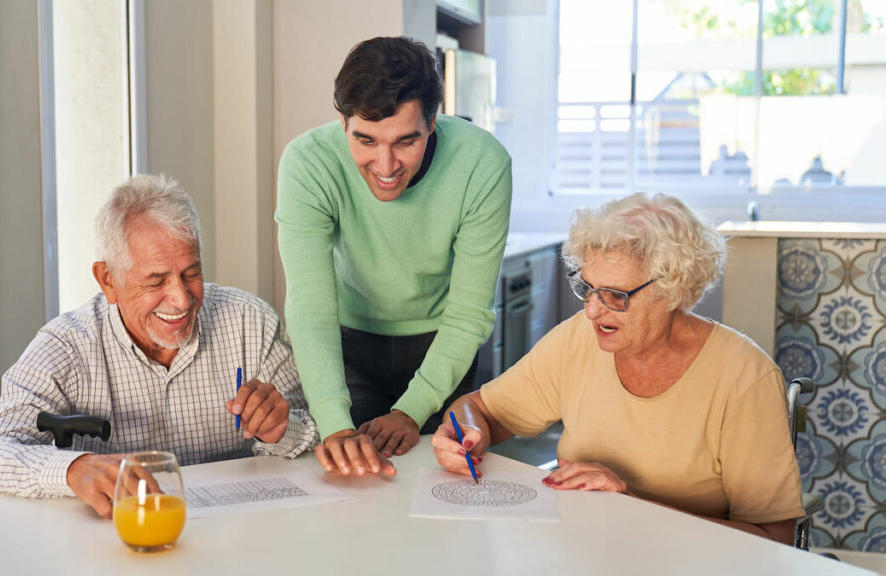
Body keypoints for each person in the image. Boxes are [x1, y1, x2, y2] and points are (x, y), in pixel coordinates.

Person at [433, 193, 804, 544]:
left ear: (673, 289)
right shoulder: (577, 340)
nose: (592, 310)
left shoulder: (744, 377)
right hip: (580, 552)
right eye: (588, 289)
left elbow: (775, 541)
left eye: (616, 296)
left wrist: (629, 504)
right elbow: (479, 408)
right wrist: (464, 434)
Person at [0, 174, 318, 517]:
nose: (180, 299)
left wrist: (282, 430)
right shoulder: (66, 345)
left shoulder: (250, 322)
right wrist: (74, 469)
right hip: (114, 543)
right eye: (156, 281)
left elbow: (315, 435)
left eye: (191, 273)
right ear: (108, 280)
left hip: (236, 537)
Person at [276, 36, 512, 477]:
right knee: (352, 487)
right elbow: (309, 307)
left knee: (445, 488)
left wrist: (411, 410)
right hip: (349, 346)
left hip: (444, 345)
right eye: (365, 140)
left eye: (406, 141)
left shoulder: (483, 164)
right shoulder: (308, 163)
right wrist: (333, 424)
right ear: (342, 122)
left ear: (433, 121)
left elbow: (467, 314)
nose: (385, 166)